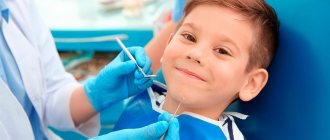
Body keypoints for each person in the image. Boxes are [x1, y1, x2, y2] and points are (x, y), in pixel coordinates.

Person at [0, 0, 178, 139]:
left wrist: (94, 93)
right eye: (189, 36)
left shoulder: (15, 5)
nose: (195, 55)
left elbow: (46, 95)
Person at [113, 0, 279, 139]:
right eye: (189, 37)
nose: (195, 54)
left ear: (251, 83)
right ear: (168, 44)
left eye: (222, 50)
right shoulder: (141, 96)